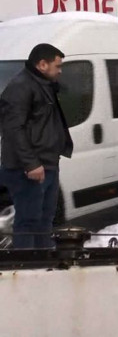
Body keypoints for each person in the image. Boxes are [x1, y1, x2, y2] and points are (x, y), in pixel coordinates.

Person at [0, 44, 73, 249]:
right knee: (29, 222)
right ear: (42, 64)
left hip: (47, 164)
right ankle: (27, 267)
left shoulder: (43, 84)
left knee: (44, 220)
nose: (60, 70)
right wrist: (31, 164)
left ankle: (43, 263)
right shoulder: (20, 87)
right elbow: (13, 129)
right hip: (29, 169)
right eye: (57, 66)